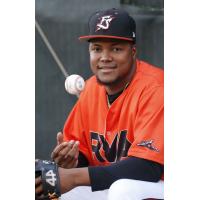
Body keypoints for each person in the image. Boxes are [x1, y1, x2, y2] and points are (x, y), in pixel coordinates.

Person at [36, 8, 164, 200]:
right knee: (54, 190)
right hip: (114, 185)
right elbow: (82, 155)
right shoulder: (91, 88)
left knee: (123, 190)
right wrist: (71, 161)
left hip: (163, 184)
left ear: (133, 52)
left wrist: (73, 176)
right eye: (97, 48)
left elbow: (148, 168)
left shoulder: (157, 88)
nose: (105, 57)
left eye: (116, 48)